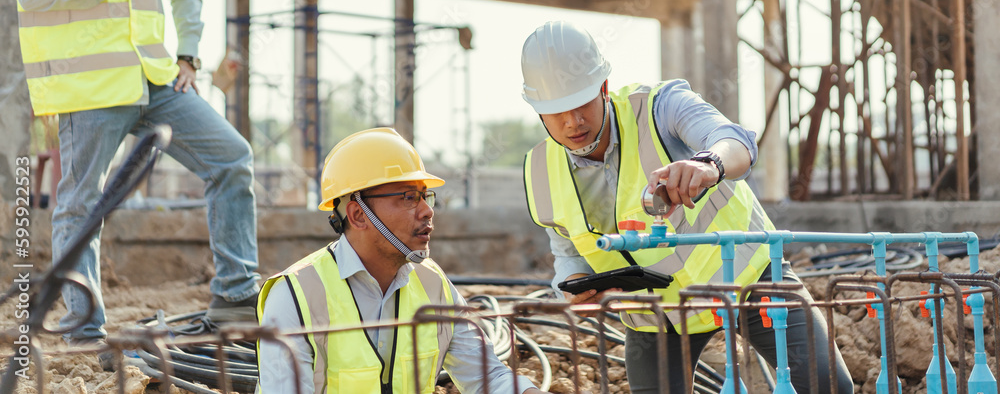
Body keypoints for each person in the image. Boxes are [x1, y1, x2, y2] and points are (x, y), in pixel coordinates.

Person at [15, 0, 260, 362]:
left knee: (232, 159)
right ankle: (82, 329)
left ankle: (234, 296)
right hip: (92, 87)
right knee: (80, 204)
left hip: (156, 81)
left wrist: (190, 56)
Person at [519, 21, 852, 394]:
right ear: (538, 112)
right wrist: (571, 288)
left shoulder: (659, 107)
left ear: (603, 88)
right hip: (657, 320)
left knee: (829, 387)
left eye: (582, 104)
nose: (573, 121)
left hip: (749, 279)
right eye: (558, 112)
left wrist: (709, 164)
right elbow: (567, 252)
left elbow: (735, 142)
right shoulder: (540, 171)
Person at [257, 128, 549, 394]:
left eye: (425, 196)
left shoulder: (433, 284)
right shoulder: (295, 296)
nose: (426, 211)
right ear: (359, 216)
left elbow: (489, 379)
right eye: (409, 197)